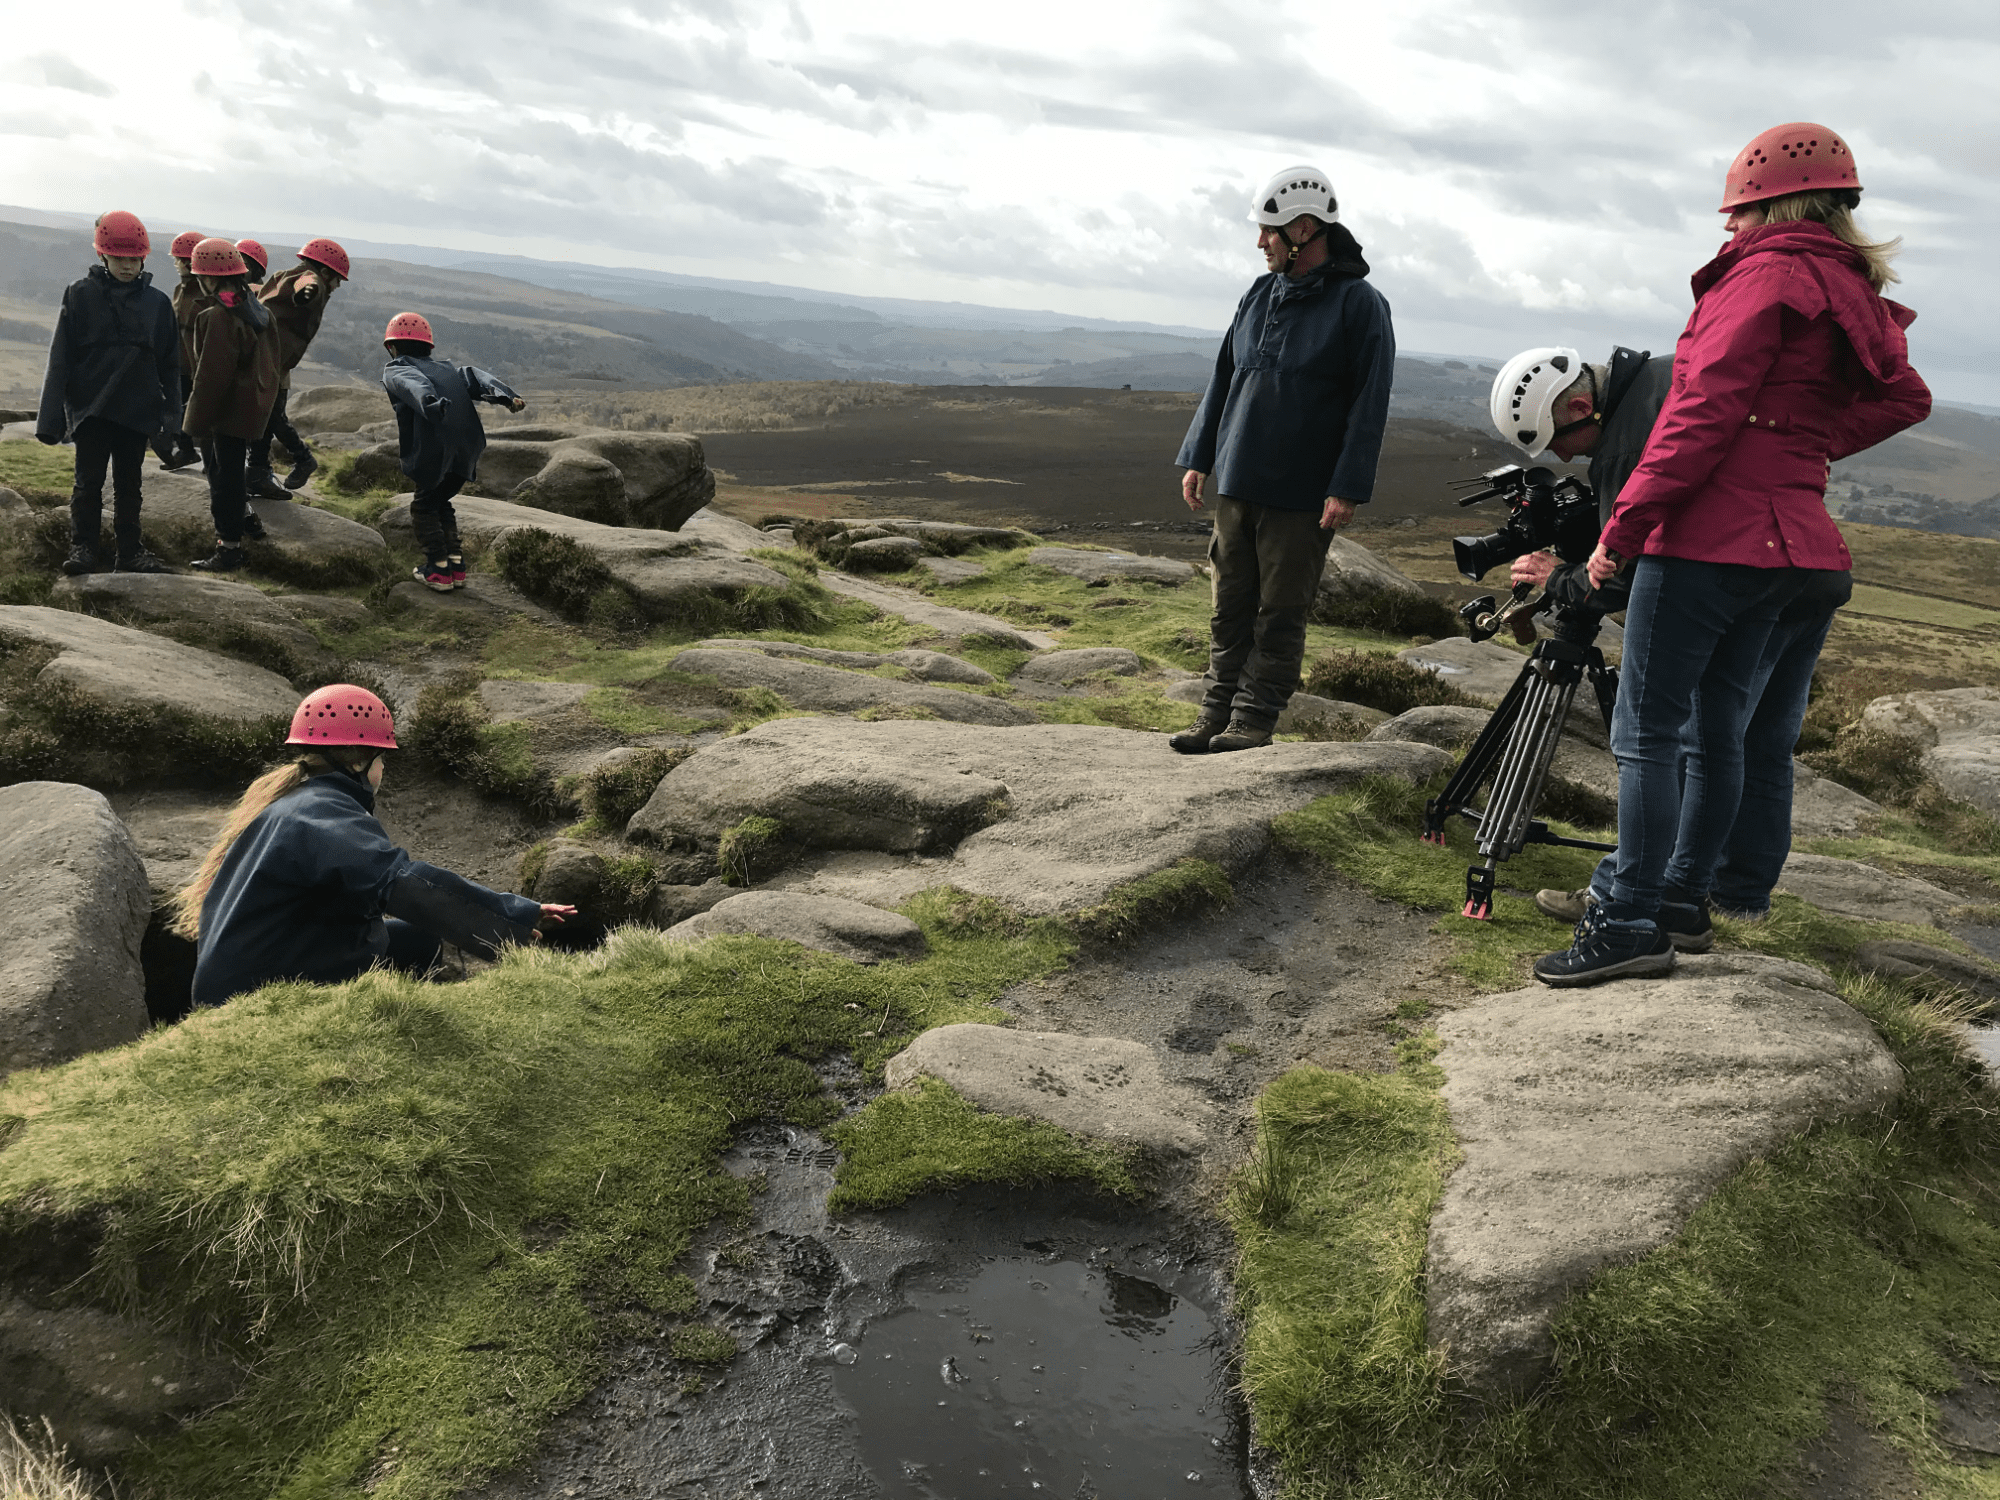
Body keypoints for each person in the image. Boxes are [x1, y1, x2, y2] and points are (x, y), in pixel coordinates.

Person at [1534, 122, 1930, 987]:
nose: (1729, 230)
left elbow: (1697, 417)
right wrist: (1802, 448)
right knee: (1720, 733)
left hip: (1710, 543)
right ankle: (1681, 900)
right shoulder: (1847, 284)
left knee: (1645, 736)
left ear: (1768, 203)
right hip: (1790, 548)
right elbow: (1907, 396)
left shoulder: (1762, 277)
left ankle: (1628, 918)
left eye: (1736, 213)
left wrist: (1619, 534)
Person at [1173, 164, 1395, 753]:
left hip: (1301, 493)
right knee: (1229, 606)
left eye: (1268, 231)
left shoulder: (1361, 305)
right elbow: (1226, 375)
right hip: (1238, 479)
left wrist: (1346, 487)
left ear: (1302, 229)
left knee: (1279, 611)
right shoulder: (1258, 291)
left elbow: (1369, 405)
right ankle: (1214, 711)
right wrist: (1199, 455)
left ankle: (1255, 719)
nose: (1260, 242)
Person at [174, 685, 574, 1008]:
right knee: (413, 933)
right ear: (359, 761)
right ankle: (411, 1028)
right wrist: (512, 928)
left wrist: (520, 912)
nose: (385, 770)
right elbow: (401, 883)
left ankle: (416, 1014)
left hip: (250, 976)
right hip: (259, 998)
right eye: (383, 759)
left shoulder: (298, 804)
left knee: (416, 939)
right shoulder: (323, 816)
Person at [34, 210, 180, 576]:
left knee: (130, 487)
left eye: (133, 258)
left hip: (137, 409)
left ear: (143, 257)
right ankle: (83, 549)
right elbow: (61, 358)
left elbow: (170, 365)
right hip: (92, 408)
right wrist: (51, 419)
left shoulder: (158, 304)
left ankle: (129, 552)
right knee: (88, 484)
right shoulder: (79, 295)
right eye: (119, 258)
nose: (127, 266)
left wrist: (171, 416)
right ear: (103, 256)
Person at [380, 311, 526, 592]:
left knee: (423, 506)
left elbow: (412, 383)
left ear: (392, 347)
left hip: (437, 451)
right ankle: (456, 565)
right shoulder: (450, 370)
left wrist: (430, 403)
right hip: (468, 449)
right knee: (441, 501)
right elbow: (477, 378)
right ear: (428, 347)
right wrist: (507, 396)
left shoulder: (396, 368)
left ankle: (438, 569)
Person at [181, 237, 282, 573]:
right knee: (232, 473)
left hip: (225, 413)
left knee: (222, 479)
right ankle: (247, 522)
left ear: (207, 277)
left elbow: (210, 377)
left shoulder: (219, 316)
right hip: (250, 408)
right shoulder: (257, 308)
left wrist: (192, 425)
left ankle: (229, 549)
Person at [253, 236, 350, 495]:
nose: (337, 285)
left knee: (268, 417)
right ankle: (295, 461)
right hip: (272, 360)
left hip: (271, 360)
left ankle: (262, 471)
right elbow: (308, 285)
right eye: (337, 279)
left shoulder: (281, 276)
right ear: (325, 271)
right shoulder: (311, 279)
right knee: (269, 418)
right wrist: (307, 293)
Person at [149, 229, 207, 472]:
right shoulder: (179, 290)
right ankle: (186, 451)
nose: (175, 264)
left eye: (179, 260)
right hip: (177, 364)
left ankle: (209, 458)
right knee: (177, 409)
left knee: (197, 413)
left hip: (197, 365)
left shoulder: (205, 294)